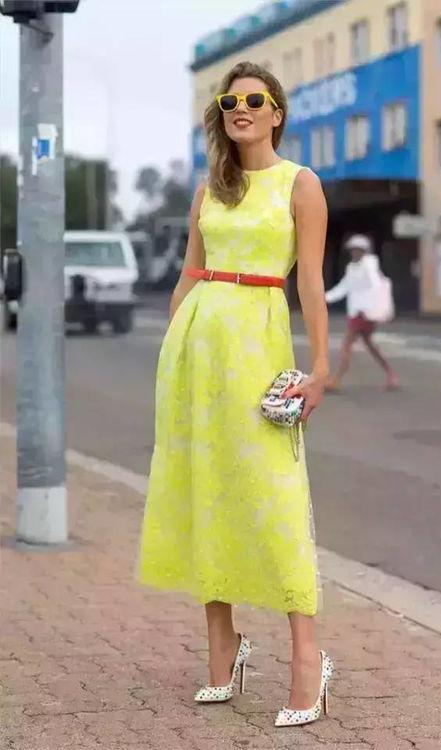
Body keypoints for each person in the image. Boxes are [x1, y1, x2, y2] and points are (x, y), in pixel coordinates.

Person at [137, 61, 334, 728]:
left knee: (274, 496)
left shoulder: (300, 184)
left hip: (259, 344)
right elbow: (189, 274)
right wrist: (173, 346)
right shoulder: (209, 189)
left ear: (277, 112)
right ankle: (222, 648)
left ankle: (308, 659)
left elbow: (310, 283)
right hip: (196, 350)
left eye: (255, 99)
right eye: (230, 101)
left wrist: (320, 367)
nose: (241, 108)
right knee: (206, 490)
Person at [324, 234, 399, 391]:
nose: (354, 252)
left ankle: (335, 380)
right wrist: (325, 297)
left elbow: (376, 284)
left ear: (364, 251)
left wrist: (379, 309)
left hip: (366, 312)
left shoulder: (369, 263)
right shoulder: (352, 267)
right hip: (357, 312)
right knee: (369, 344)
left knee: (347, 344)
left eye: (358, 250)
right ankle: (391, 374)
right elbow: (344, 287)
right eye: (353, 250)